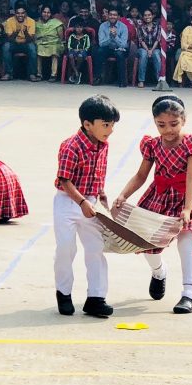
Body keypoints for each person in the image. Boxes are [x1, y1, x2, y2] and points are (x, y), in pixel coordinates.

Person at [113, 95, 192, 315]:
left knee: (186, 240)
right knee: (147, 243)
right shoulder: (152, 145)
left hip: (189, 195)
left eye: (173, 124)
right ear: (155, 122)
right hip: (160, 194)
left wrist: (187, 208)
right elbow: (140, 175)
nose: (168, 130)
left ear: (183, 120)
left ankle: (189, 294)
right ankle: (159, 271)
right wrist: (123, 195)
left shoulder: (191, 142)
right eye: (161, 125)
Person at [54, 95, 120, 318]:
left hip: (91, 202)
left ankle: (96, 297)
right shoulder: (71, 146)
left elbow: (98, 173)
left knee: (96, 249)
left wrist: (101, 197)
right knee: (66, 248)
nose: (110, 130)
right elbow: (64, 180)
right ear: (87, 124)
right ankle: (63, 294)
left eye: (112, 125)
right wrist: (81, 202)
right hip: (68, 201)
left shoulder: (103, 144)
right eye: (105, 125)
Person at [1, 5, 38, 81]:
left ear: (26, 14)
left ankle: (32, 74)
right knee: (6, 46)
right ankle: (8, 73)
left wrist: (25, 32)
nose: (20, 15)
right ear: (15, 14)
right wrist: (17, 31)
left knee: (32, 47)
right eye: (18, 13)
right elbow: (9, 39)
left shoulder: (31, 21)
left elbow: (30, 40)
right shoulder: (9, 21)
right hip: (14, 43)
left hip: (26, 43)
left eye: (22, 13)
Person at [94, 8, 128, 87]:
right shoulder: (102, 26)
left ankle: (122, 80)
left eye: (115, 15)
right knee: (98, 51)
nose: (112, 16)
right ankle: (98, 78)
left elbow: (123, 45)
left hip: (119, 48)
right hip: (107, 47)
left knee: (120, 54)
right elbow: (101, 43)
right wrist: (110, 37)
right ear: (108, 16)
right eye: (111, 15)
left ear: (118, 17)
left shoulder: (123, 27)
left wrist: (115, 37)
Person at [133, 9, 163, 88]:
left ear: (152, 16)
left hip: (154, 48)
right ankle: (141, 80)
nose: (147, 17)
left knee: (156, 54)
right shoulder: (140, 27)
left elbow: (157, 40)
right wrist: (148, 50)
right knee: (143, 54)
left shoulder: (158, 26)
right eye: (145, 15)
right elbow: (141, 41)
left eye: (149, 15)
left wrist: (151, 50)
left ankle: (159, 81)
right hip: (143, 48)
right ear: (143, 17)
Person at [36, 5, 64, 81]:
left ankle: (53, 75)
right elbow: (35, 36)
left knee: (54, 49)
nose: (46, 14)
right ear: (41, 13)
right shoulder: (37, 23)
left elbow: (61, 37)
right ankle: (39, 74)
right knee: (38, 48)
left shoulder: (56, 23)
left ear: (51, 14)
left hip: (54, 43)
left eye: (48, 12)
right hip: (41, 43)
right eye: (44, 12)